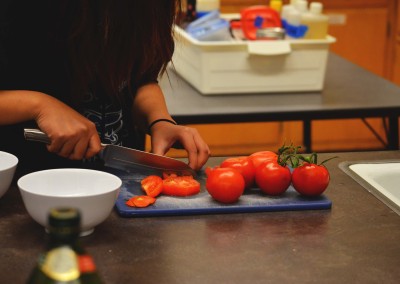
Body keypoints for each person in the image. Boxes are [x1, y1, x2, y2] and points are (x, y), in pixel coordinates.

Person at [0, 0, 210, 171]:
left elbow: (139, 79)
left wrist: (160, 121)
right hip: (23, 189)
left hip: (119, 185)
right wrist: (38, 105)